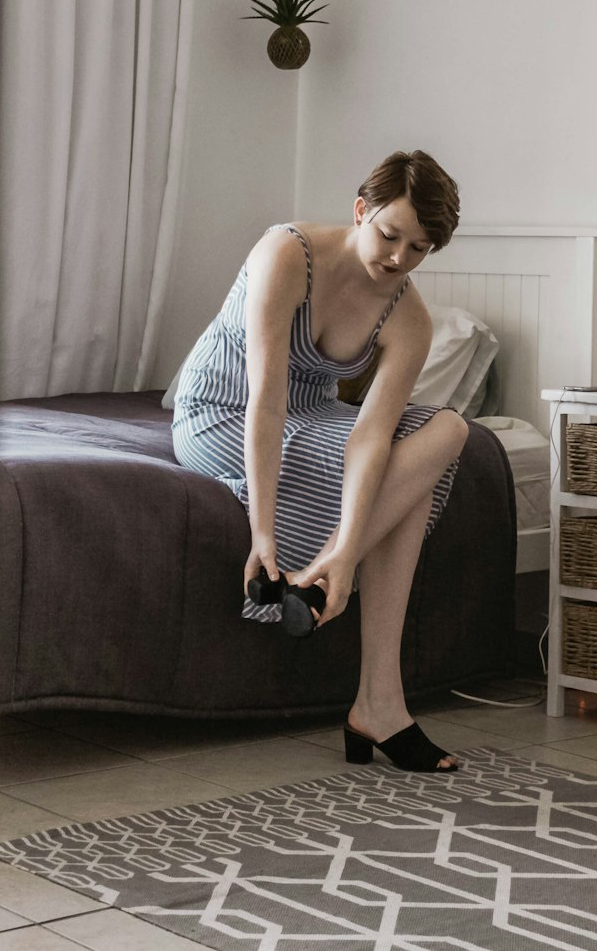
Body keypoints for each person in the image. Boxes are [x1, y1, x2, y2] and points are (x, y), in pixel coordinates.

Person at [172, 150, 468, 772]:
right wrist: (262, 530)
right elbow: (265, 398)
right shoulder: (286, 253)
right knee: (410, 479)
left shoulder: (408, 318)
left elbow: (369, 438)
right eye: (390, 234)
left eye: (418, 249)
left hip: (315, 417)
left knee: (445, 431)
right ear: (361, 210)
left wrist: (348, 545)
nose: (398, 259)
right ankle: (380, 704)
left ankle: (332, 572)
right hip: (224, 408)